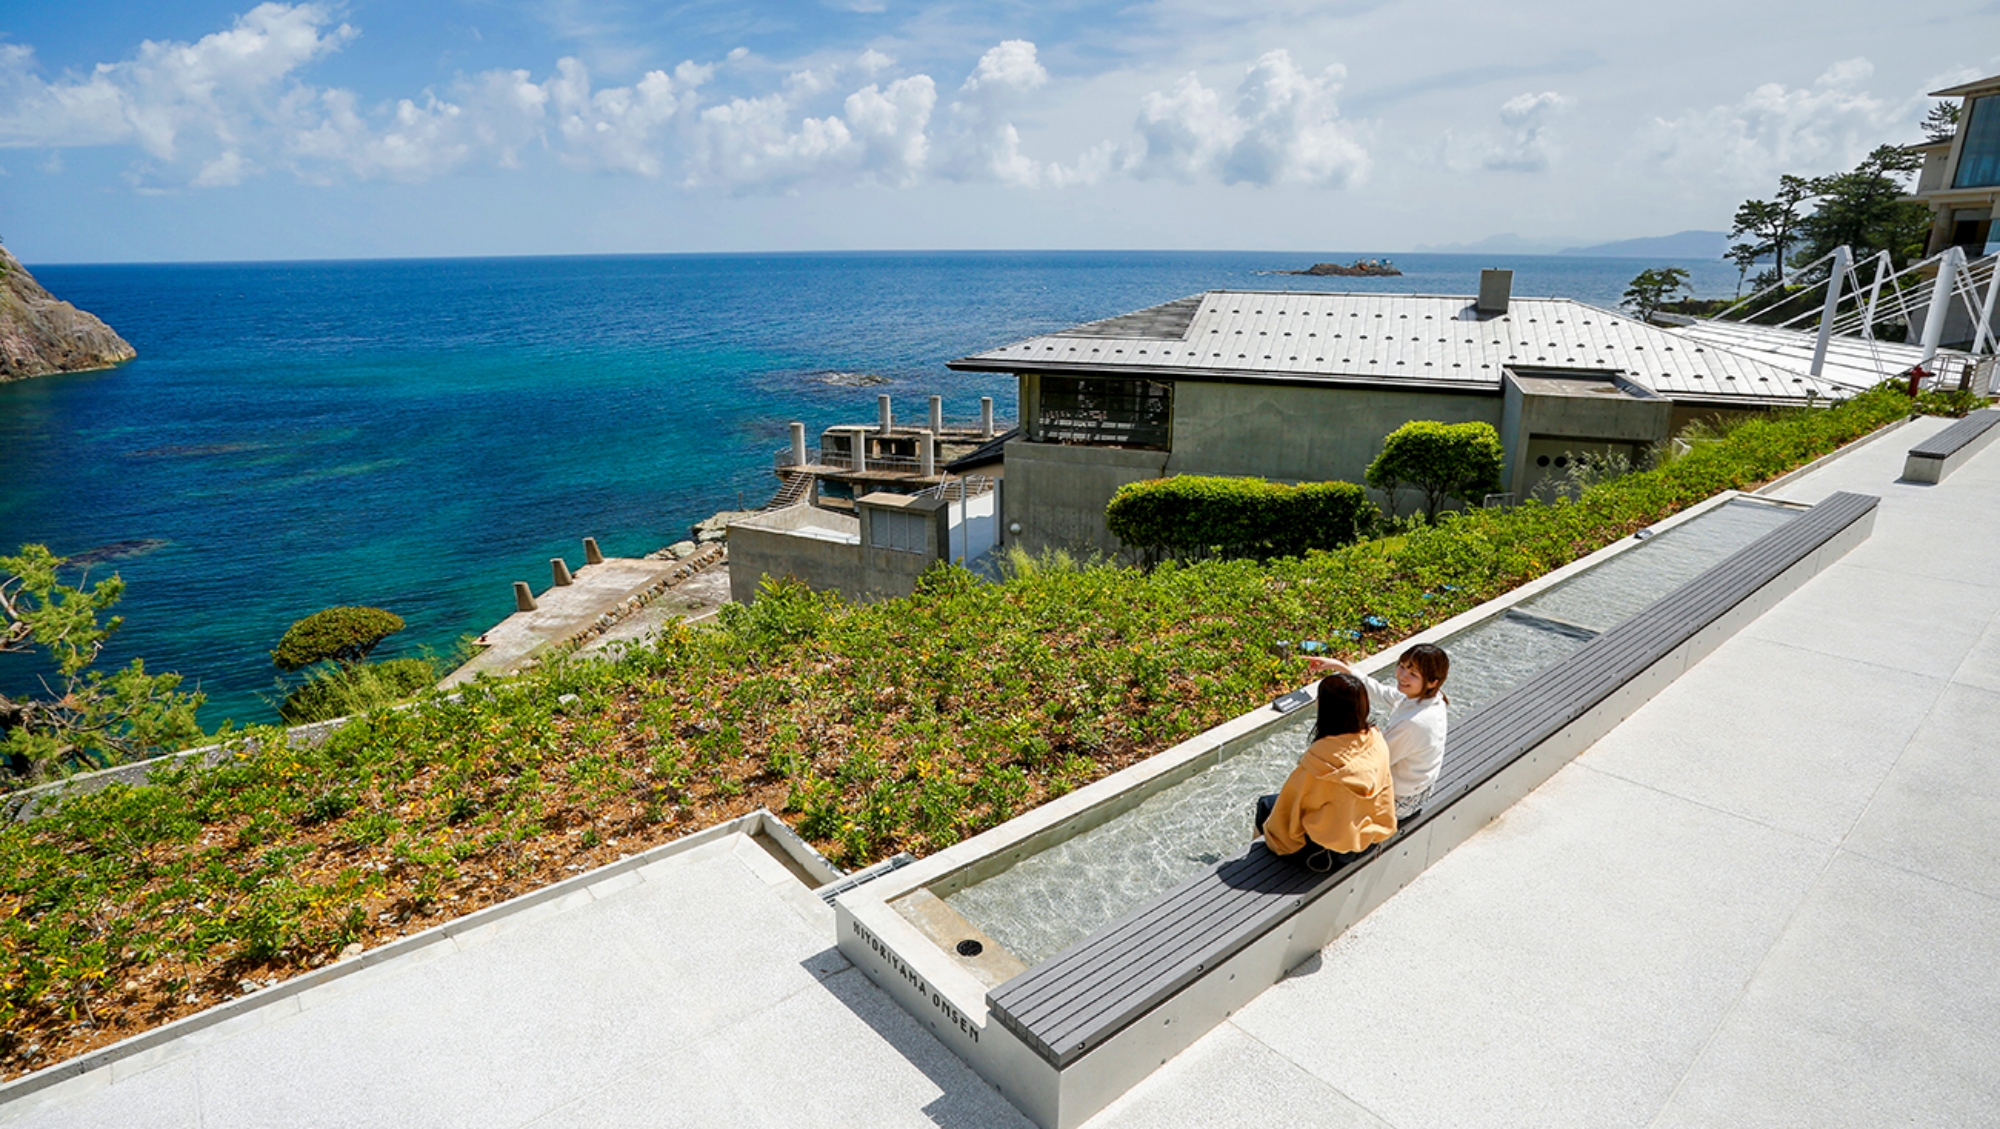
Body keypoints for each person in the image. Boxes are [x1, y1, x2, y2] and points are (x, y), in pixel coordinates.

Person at [1254, 673, 1397, 870]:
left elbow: (1289, 811)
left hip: (1327, 854)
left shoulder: (1321, 764)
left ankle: (1257, 865)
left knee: (1265, 805)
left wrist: (1276, 838)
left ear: (1327, 709)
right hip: (1369, 835)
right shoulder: (1375, 740)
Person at [1308, 643, 1448, 820]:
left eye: (1413, 674)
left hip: (1402, 801)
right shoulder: (1430, 697)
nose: (1402, 676)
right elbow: (1380, 692)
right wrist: (1340, 667)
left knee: (1321, 800)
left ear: (1432, 682)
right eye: (1402, 667)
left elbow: (1375, 762)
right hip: (1418, 788)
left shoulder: (1414, 723)